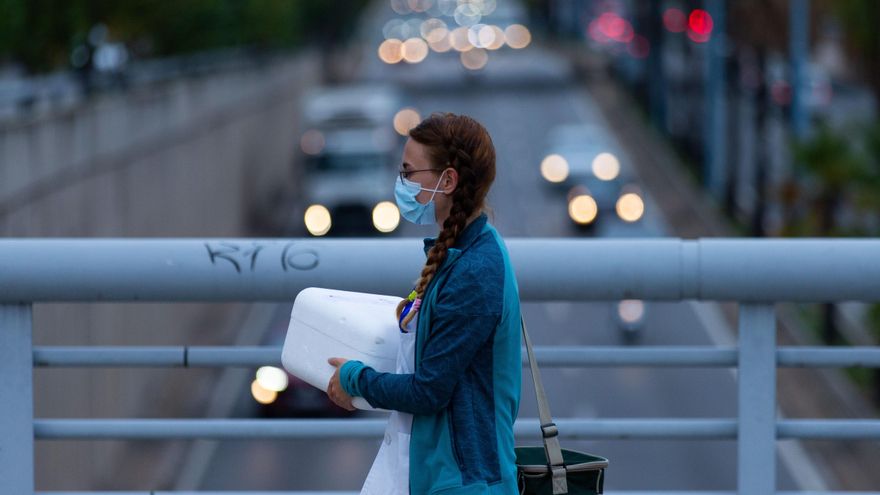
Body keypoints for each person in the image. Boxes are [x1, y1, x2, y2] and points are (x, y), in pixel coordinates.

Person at [326, 112, 523, 494]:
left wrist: (355, 379)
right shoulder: (464, 254)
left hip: (465, 483)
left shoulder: (474, 272)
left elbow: (429, 391)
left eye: (408, 173)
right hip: (443, 478)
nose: (401, 184)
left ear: (447, 180)